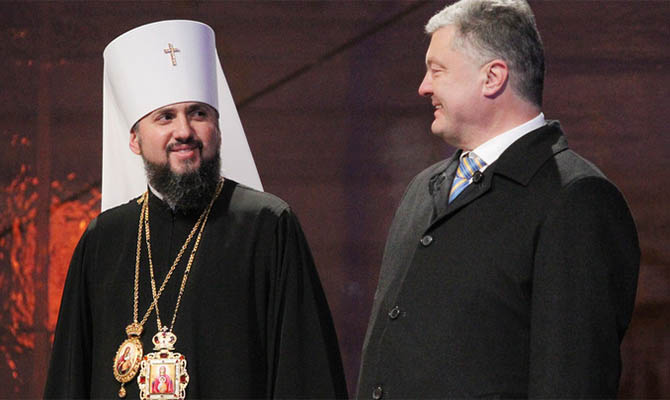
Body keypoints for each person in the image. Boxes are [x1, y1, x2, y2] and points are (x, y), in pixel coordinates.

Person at [44, 20, 347, 399]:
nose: (184, 131)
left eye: (199, 113)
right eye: (165, 117)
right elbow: (69, 381)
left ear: (218, 128)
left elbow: (305, 378)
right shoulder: (103, 239)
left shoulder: (267, 226)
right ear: (134, 140)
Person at [356, 0, 640, 398]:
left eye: (437, 70)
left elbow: (574, 377)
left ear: (492, 77)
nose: (424, 87)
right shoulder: (424, 187)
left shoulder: (576, 197)